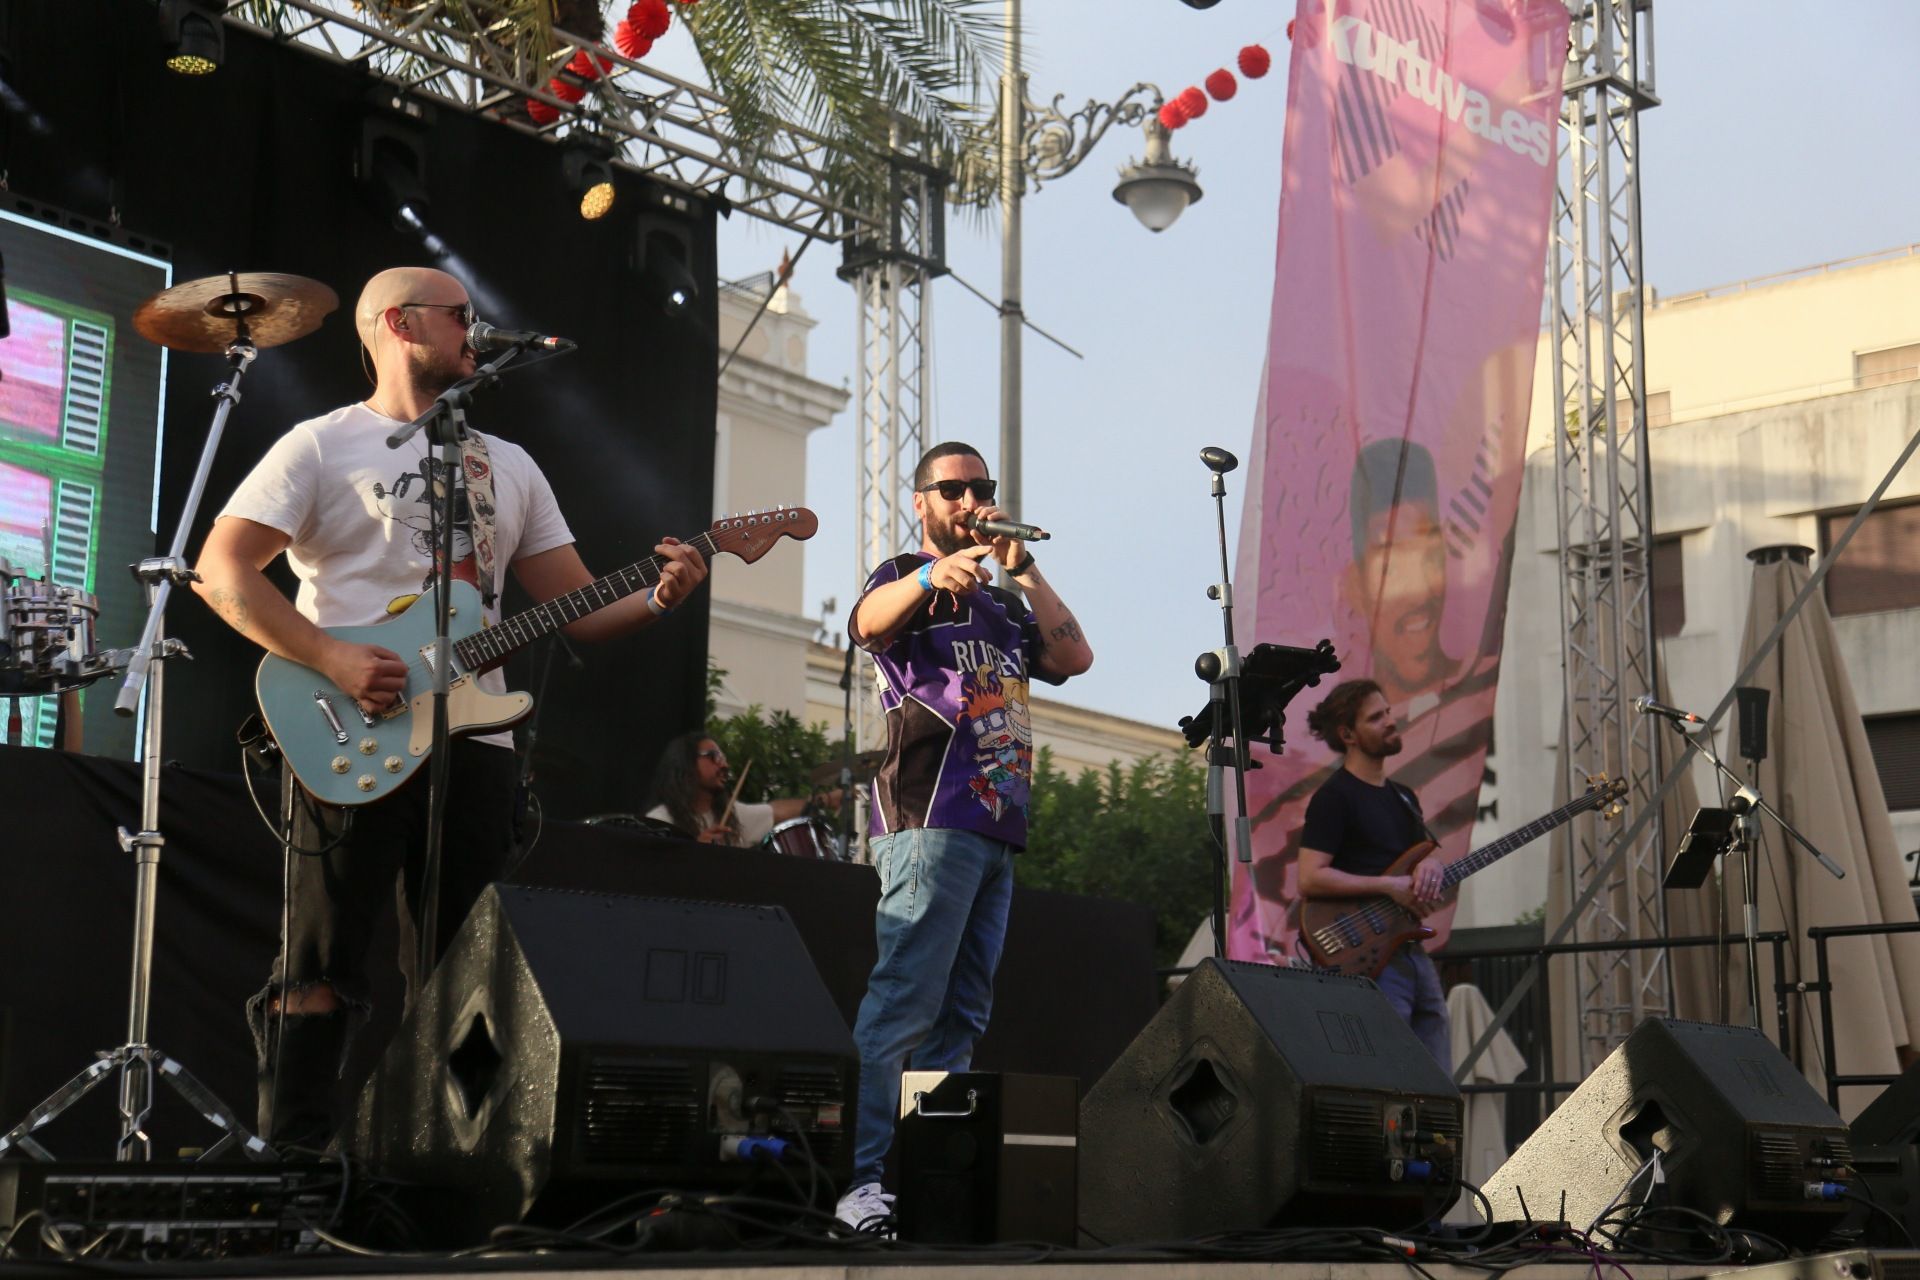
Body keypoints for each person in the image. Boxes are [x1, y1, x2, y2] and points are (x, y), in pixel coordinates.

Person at [192, 266, 708, 1148]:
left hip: (477, 742)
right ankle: (297, 1160)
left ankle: (449, 1156)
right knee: (323, 955)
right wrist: (331, 655)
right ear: (398, 323)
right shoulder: (321, 446)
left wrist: (664, 594)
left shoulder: (507, 465)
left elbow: (576, 610)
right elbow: (220, 571)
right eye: (460, 314)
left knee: (470, 967)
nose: (476, 328)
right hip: (348, 726)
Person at [834, 441, 1095, 1231]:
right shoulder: (903, 574)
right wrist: (926, 576)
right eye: (953, 488)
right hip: (930, 815)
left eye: (980, 487)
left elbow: (1075, 657)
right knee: (904, 1002)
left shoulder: (1004, 605)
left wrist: (1024, 569)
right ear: (921, 500)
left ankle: (926, 1178)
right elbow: (864, 624)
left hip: (995, 823)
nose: (970, 499)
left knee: (962, 1017)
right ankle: (863, 1181)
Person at [1294, 678, 1452, 1065]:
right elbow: (1310, 876)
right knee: (1387, 1065)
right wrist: (1389, 886)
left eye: (1387, 711)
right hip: (1363, 949)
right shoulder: (1334, 797)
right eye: (1376, 717)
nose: (1389, 721)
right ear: (1348, 733)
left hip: (1409, 947)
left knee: (1436, 1069)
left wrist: (1431, 864)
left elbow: (1418, 861)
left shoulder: (1403, 797)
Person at [644, 730, 841, 846]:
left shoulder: (733, 815)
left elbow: (776, 812)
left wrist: (826, 799)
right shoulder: (660, 821)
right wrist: (696, 849)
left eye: (723, 758)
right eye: (714, 757)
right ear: (685, 763)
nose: (724, 765)